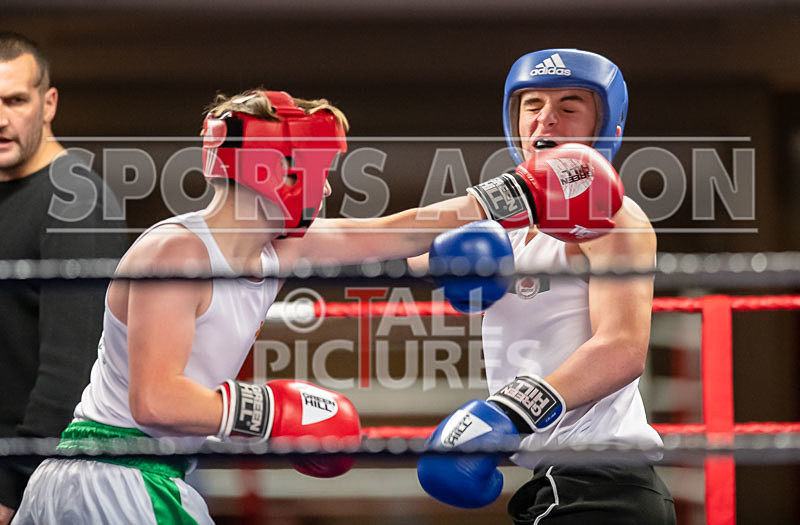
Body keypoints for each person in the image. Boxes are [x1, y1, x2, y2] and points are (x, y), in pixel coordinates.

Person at [415, 49, 677, 524]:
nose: (545, 121)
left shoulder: (612, 218)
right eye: (532, 105)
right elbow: (398, 247)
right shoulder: (506, 230)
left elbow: (621, 349)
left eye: (569, 107)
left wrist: (506, 414)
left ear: (607, 128)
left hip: (603, 483)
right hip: (557, 484)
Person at [0, 32, 128, 524]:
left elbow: (69, 368)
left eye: (16, 100)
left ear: (48, 103)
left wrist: (11, 488)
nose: (2, 118)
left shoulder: (76, 205)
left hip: (38, 488)